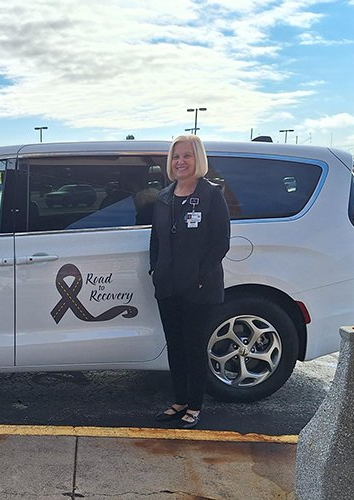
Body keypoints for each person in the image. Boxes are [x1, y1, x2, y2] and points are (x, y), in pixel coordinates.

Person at [148, 135, 230, 429]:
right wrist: (154, 270)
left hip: (199, 288)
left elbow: (220, 243)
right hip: (167, 286)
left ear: (198, 159)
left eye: (187, 156)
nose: (180, 162)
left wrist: (199, 278)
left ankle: (195, 405)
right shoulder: (164, 196)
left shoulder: (211, 195)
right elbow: (156, 238)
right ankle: (179, 400)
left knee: (194, 347)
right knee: (175, 346)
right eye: (175, 157)